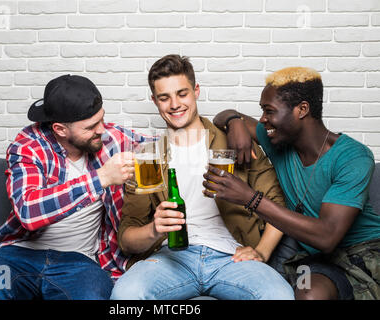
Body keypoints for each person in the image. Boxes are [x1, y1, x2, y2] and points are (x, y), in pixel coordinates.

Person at [110, 55, 294, 300]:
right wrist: (155, 229)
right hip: (170, 258)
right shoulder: (147, 158)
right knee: (126, 295)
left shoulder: (234, 142)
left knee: (279, 296)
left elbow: (276, 204)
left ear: (196, 91)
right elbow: (127, 239)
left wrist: (261, 252)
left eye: (182, 93)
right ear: (155, 101)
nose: (175, 104)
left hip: (232, 257)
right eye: (165, 97)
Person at [0, 74, 149, 300]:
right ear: (60, 129)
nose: (102, 129)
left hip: (79, 263)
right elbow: (28, 211)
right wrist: (100, 178)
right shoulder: (28, 146)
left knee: (92, 296)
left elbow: (161, 148)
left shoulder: (109, 138)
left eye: (102, 119)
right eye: (91, 126)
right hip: (19, 258)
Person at [207, 66, 380, 300]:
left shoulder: (354, 157)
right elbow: (224, 114)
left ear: (302, 110)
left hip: (364, 254)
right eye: (262, 111)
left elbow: (327, 237)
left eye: (269, 111)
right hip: (314, 261)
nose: (262, 120)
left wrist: (250, 198)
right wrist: (234, 121)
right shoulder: (277, 139)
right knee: (307, 290)